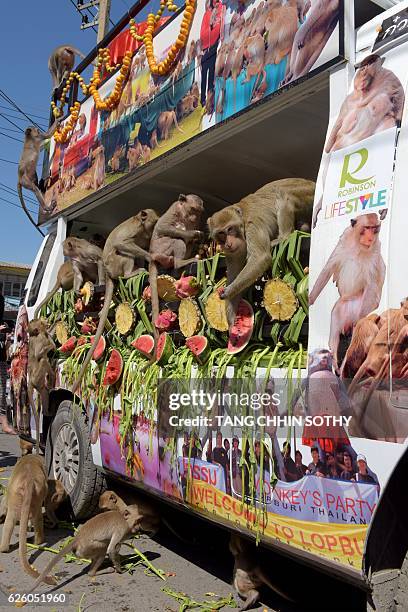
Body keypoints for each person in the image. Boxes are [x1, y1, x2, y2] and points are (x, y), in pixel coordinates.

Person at [200, 0, 224, 107]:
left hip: (215, 46)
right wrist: (211, 25)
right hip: (207, 49)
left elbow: (221, 27)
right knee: (204, 73)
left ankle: (209, 97)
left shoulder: (222, 9)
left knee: (211, 73)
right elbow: (203, 35)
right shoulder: (207, 14)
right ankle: (203, 99)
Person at [0, 323, 16, 434]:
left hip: (1, 361)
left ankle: (5, 424)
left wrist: (7, 341)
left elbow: (4, 349)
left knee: (1, 394)